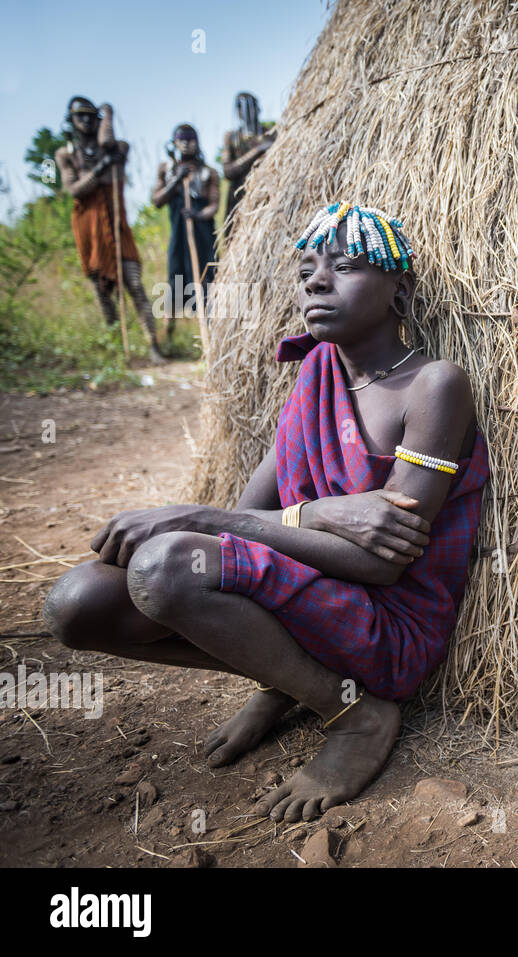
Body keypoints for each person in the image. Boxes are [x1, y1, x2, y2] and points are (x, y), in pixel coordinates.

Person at [43, 202, 490, 822]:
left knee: (168, 565)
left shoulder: (433, 386)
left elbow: (381, 563)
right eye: (307, 268)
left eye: (348, 265)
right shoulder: (314, 378)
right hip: (308, 594)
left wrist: (203, 518)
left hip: (388, 628)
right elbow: (253, 518)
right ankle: (284, 684)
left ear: (401, 290)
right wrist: (320, 515)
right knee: (77, 603)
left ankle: (356, 714)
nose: (316, 280)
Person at [54, 97, 165, 363]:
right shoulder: (66, 154)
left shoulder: (116, 148)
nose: (86, 121)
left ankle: (153, 344)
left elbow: (108, 146)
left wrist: (109, 115)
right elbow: (74, 189)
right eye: (80, 116)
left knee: (135, 284)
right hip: (89, 227)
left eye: (91, 115)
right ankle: (118, 350)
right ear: (71, 121)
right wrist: (101, 168)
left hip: (117, 224)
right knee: (102, 291)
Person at [151, 124, 219, 333]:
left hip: (203, 235)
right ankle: (167, 334)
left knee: (207, 280)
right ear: (174, 142)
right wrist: (176, 180)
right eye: (182, 138)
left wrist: (199, 215)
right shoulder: (167, 170)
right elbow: (157, 200)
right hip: (179, 235)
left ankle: (210, 332)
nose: (187, 142)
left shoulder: (209, 173)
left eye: (191, 138)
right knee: (175, 280)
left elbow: (214, 205)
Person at [220, 92, 275, 239]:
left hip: (266, 192)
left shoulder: (271, 134)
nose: (247, 112)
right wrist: (257, 150)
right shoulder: (232, 138)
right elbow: (228, 171)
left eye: (251, 107)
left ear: (258, 109)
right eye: (242, 108)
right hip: (240, 196)